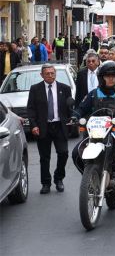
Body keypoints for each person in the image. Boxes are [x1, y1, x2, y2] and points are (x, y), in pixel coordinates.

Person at [72, 62, 115, 192]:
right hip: (94, 133)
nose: (110, 78)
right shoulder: (93, 94)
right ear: (102, 77)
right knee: (76, 153)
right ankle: (89, 178)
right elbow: (80, 108)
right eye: (107, 76)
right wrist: (75, 116)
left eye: (113, 76)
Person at [26, 64, 73, 194]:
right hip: (43, 127)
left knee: (63, 153)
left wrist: (72, 119)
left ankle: (59, 179)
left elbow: (70, 108)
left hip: (59, 126)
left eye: (52, 73)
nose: (50, 75)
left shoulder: (65, 88)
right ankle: (45, 183)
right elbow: (31, 109)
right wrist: (34, 125)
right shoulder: (35, 89)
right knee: (44, 157)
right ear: (42, 75)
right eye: (47, 73)